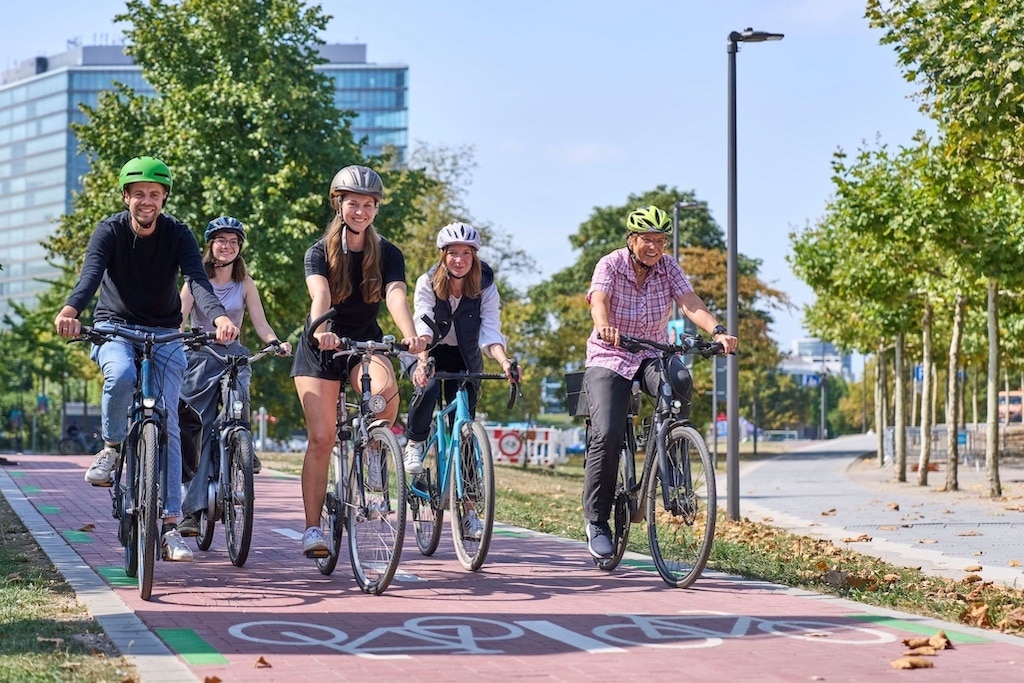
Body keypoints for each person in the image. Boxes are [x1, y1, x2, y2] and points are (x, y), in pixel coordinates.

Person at [54, 155, 239, 563]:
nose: (146, 201)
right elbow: (90, 276)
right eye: (138, 194)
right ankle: (112, 447)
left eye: (154, 194)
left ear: (164, 198)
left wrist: (221, 316)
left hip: (165, 334)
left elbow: (197, 280)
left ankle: (171, 525)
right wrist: (71, 310)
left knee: (169, 422)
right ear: (126, 197)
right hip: (114, 328)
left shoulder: (178, 234)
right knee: (119, 375)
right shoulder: (110, 231)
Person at [581, 205, 738, 560]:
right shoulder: (610, 264)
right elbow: (599, 300)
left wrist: (717, 329)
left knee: (680, 378)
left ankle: (673, 455)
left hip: (653, 352)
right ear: (631, 240)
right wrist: (605, 325)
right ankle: (597, 521)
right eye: (647, 240)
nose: (654, 246)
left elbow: (689, 301)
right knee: (605, 433)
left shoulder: (668, 267)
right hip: (612, 355)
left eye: (660, 240)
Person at [291, 164, 425, 556]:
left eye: (368, 204)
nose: (361, 211)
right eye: (353, 203)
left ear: (376, 209)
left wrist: (410, 334)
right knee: (322, 438)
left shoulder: (388, 254)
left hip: (362, 341)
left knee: (385, 392)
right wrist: (320, 329)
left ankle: (373, 452)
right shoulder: (319, 252)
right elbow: (320, 296)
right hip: (321, 345)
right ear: (339, 205)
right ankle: (313, 530)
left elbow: (396, 294)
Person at [177, 216, 292, 537]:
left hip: (233, 355)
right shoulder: (194, 281)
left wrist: (274, 342)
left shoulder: (245, 284)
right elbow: (179, 320)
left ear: (239, 248)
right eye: (221, 241)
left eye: (233, 242)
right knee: (201, 429)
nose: (227, 247)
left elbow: (261, 323)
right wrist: (175, 344)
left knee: (238, 402)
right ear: (210, 245)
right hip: (201, 355)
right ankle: (192, 510)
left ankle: (241, 444)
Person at [402, 222, 516, 540]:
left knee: (465, 435)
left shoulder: (485, 285)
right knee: (426, 386)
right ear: (443, 256)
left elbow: (491, 331)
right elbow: (422, 322)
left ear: (474, 256)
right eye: (453, 253)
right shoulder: (427, 282)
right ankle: (415, 442)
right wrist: (422, 360)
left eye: (466, 253)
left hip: (466, 358)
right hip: (432, 350)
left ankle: (469, 514)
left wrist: (505, 362)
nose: (459, 259)